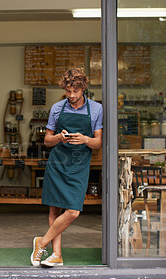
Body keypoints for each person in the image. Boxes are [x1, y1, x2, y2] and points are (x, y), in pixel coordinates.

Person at [31, 68, 103, 267]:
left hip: (80, 165)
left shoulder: (96, 109)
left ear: (83, 88)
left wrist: (86, 139)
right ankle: (56, 255)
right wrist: (58, 138)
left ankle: (41, 242)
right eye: (68, 91)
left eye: (75, 92)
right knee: (54, 210)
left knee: (72, 211)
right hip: (58, 163)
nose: (71, 96)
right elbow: (47, 140)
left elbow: (98, 143)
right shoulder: (57, 108)